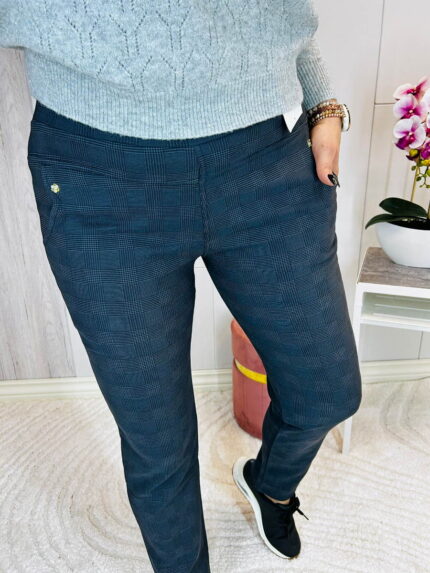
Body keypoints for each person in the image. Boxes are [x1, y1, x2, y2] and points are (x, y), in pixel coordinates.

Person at [0, 1, 362, 571]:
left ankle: (269, 487)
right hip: (97, 172)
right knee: (159, 447)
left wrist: (322, 100)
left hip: (267, 157)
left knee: (328, 392)